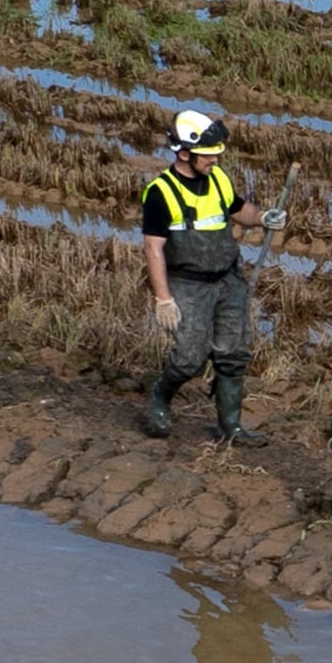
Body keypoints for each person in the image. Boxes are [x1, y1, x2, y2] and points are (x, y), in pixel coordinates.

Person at [139, 107, 254, 441]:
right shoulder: (160, 192)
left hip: (228, 280)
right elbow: (153, 248)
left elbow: (237, 210)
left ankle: (229, 427)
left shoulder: (217, 179)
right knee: (190, 357)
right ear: (184, 153)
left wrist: (265, 216)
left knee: (233, 354)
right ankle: (161, 396)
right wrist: (163, 299)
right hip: (188, 284)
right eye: (208, 155)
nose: (215, 161)